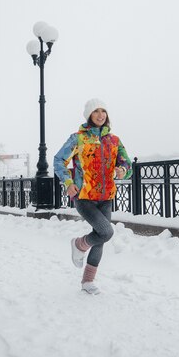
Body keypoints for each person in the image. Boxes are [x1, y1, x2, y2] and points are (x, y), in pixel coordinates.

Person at [53, 98, 132, 295]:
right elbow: (58, 160)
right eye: (96, 111)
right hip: (84, 196)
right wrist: (68, 182)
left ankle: (88, 282)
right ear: (89, 115)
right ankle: (79, 244)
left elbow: (127, 163)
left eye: (103, 111)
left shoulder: (114, 140)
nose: (100, 115)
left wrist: (123, 170)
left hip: (106, 196)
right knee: (105, 232)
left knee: (101, 238)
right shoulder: (78, 138)